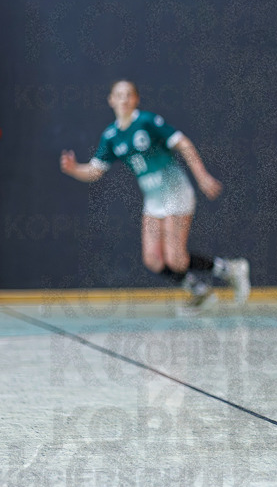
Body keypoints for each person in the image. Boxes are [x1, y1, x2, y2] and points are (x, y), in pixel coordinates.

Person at [60, 80, 250, 313]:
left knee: (176, 260)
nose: (124, 99)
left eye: (129, 95)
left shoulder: (147, 122)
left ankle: (230, 269)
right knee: (152, 259)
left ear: (136, 99)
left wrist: (202, 177)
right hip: (154, 200)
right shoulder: (111, 136)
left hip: (175, 191)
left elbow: (184, 144)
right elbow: (95, 171)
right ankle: (199, 292)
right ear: (110, 100)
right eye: (119, 95)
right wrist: (73, 169)